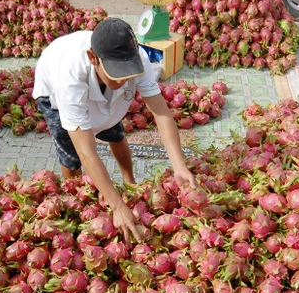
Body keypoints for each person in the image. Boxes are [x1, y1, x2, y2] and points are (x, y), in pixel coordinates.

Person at [32, 17, 198, 244]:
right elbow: (87, 153)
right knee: (71, 154)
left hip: (99, 89)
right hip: (52, 90)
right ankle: (78, 197)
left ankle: (129, 180)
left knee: (114, 131)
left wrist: (179, 166)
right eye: (115, 72)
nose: (122, 80)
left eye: (126, 72)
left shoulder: (138, 59)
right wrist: (118, 206)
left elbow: (161, 113)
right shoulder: (69, 78)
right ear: (93, 58)